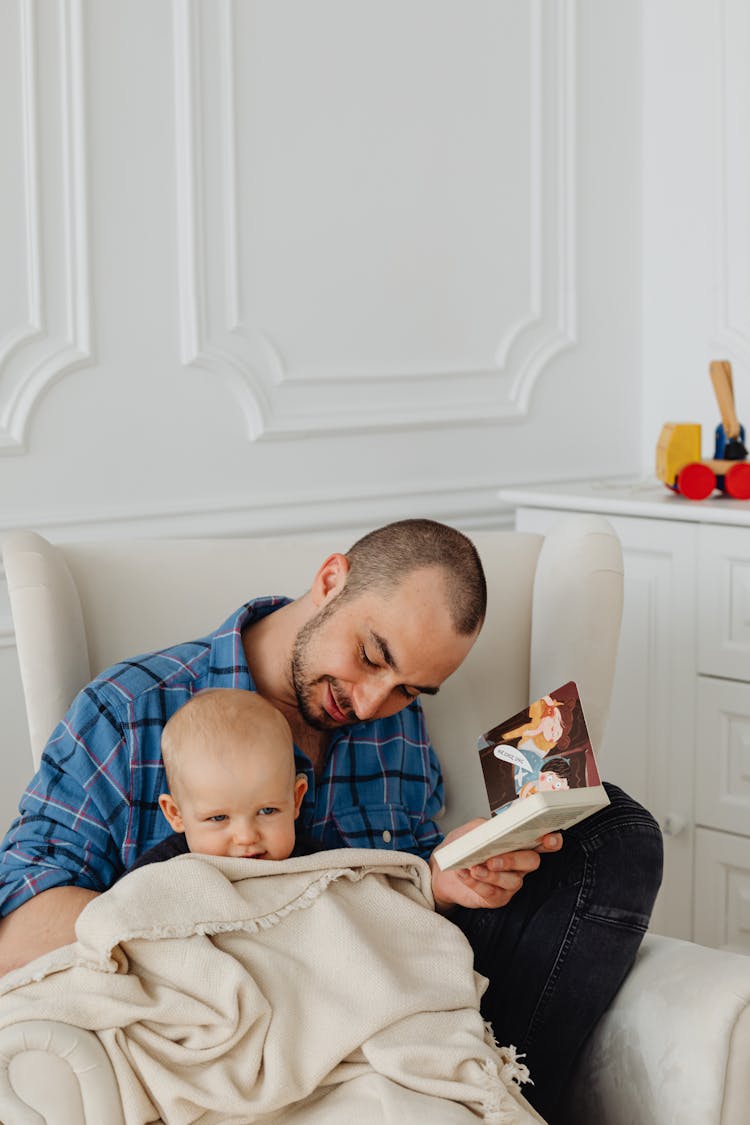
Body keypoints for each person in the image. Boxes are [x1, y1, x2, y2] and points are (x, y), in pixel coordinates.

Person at [0, 518, 663, 1122]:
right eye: (372, 655)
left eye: (410, 686)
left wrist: (443, 875)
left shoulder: (394, 727)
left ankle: (485, 1091)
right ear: (329, 580)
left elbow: (393, 930)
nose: (373, 700)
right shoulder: (131, 710)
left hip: (382, 1011)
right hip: (235, 1031)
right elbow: (17, 925)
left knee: (616, 830)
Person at [128, 688, 313, 871]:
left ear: (296, 799)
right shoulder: (158, 871)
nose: (246, 837)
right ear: (176, 814)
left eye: (267, 810)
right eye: (218, 817)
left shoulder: (315, 865)